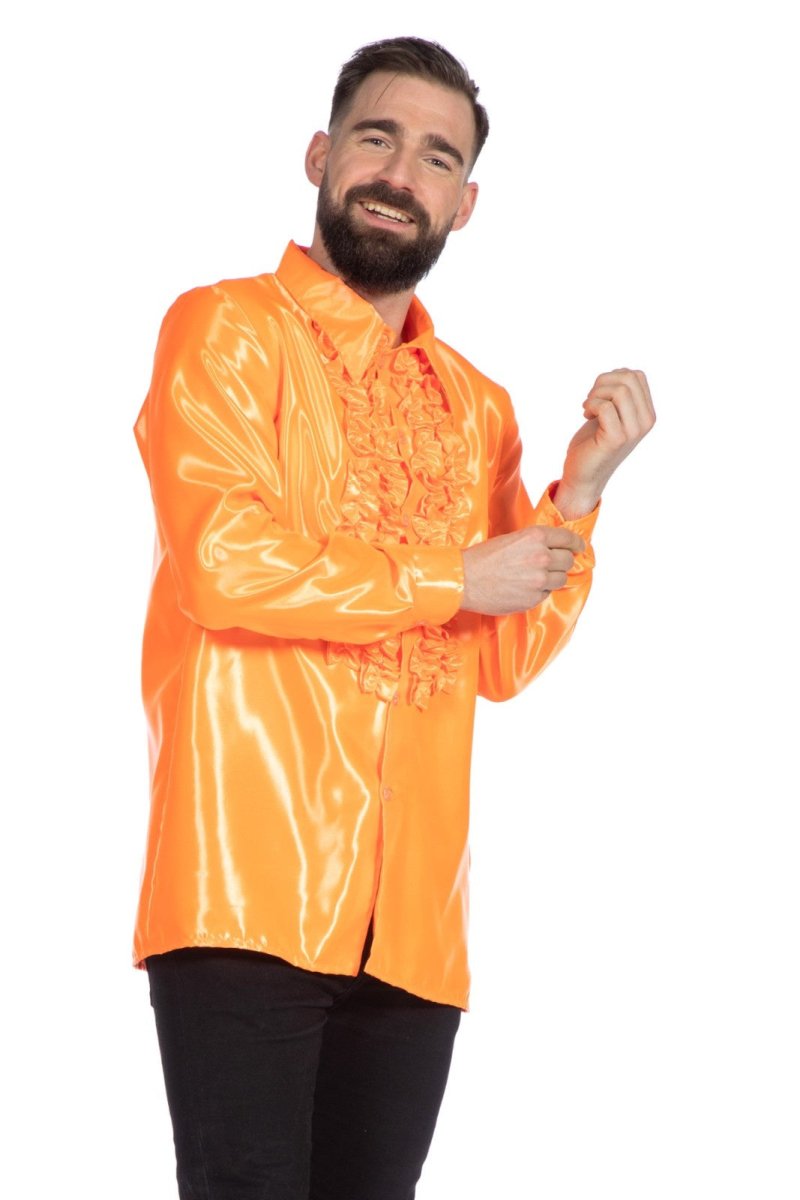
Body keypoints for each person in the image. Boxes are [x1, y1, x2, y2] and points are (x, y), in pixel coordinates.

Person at [132, 34, 655, 1200]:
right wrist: (447, 575)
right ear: (320, 155)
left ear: (464, 204)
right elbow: (223, 565)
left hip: (414, 927)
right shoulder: (225, 329)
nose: (397, 174)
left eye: (434, 156)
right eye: (376, 138)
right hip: (244, 892)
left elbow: (501, 655)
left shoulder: (478, 408)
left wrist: (576, 494)